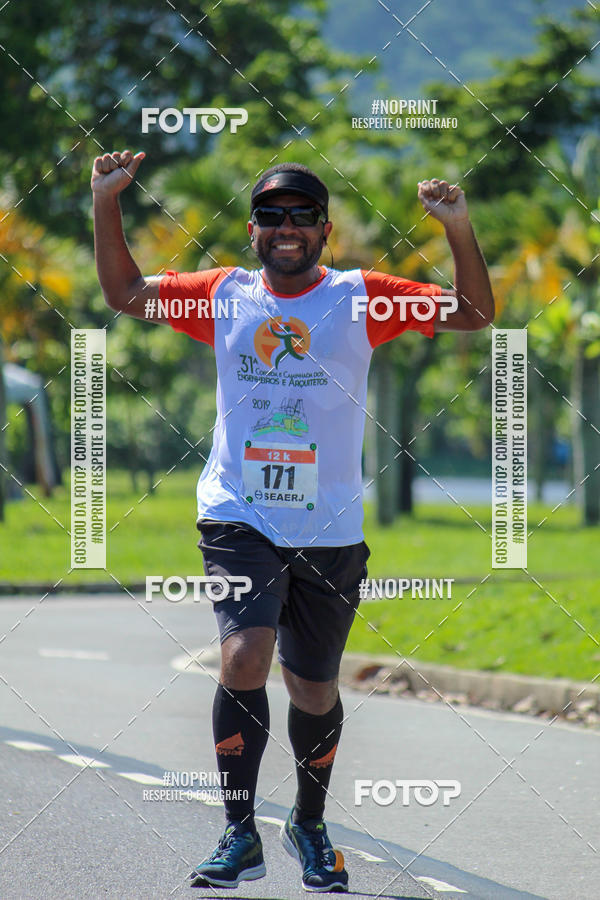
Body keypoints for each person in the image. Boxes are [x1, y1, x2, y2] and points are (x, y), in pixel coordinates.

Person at [92, 150, 494, 893]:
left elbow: (474, 313)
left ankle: (307, 821)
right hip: (239, 514)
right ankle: (239, 830)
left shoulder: (361, 296)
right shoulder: (222, 294)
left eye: (302, 216)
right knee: (245, 655)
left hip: (330, 528)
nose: (287, 228)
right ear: (252, 230)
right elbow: (125, 293)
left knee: (313, 689)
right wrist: (107, 200)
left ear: (324, 230)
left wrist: (458, 228)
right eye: (273, 216)